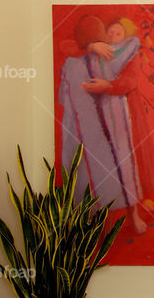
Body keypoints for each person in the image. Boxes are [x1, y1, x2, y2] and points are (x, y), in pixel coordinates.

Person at [58, 15, 146, 233]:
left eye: (118, 33)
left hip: (117, 121)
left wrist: (107, 85)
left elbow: (130, 79)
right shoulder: (82, 56)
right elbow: (65, 48)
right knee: (98, 171)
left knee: (125, 168)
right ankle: (100, 219)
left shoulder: (123, 54)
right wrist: (90, 46)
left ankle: (133, 216)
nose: (112, 36)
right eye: (109, 32)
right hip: (92, 127)